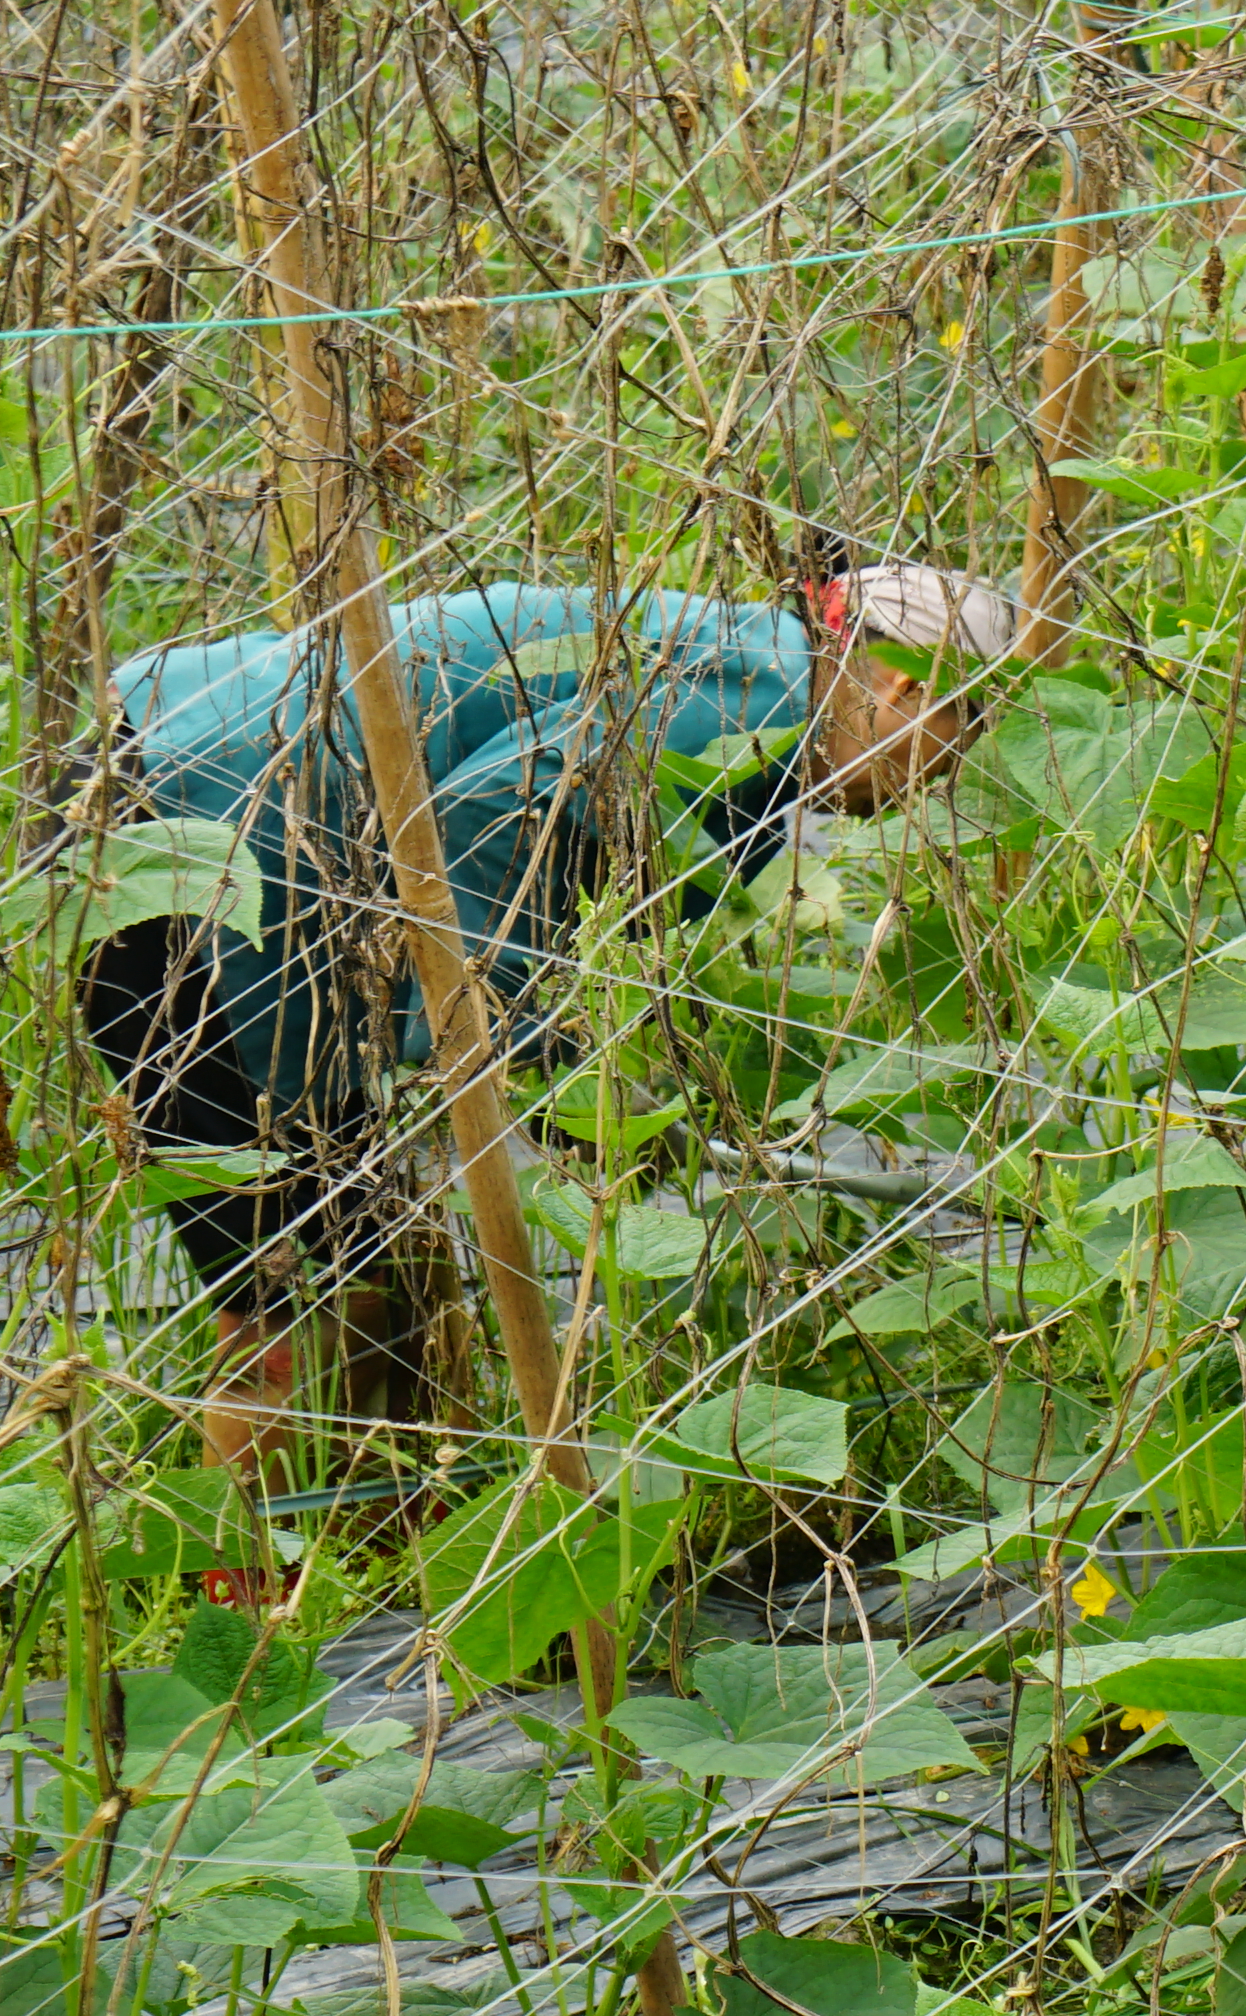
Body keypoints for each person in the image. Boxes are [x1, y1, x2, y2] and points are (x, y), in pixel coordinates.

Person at [76, 562, 1020, 1487]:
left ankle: (363, 1550)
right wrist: (552, 1070)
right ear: (907, 687)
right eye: (960, 740)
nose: (939, 782)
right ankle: (241, 1609)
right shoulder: (737, 717)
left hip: (189, 782)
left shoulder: (740, 672)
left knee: (373, 1271)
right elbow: (491, 821)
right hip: (188, 849)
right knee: (295, 1301)